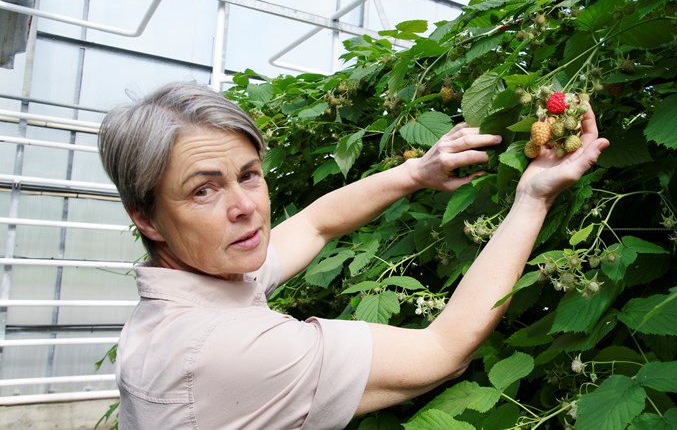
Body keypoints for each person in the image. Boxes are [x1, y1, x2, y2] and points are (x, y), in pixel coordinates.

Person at [98, 81, 608, 429]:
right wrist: (533, 197)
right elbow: (442, 352)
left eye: (249, 175)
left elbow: (315, 224)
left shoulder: (195, 288)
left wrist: (415, 172)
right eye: (203, 191)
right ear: (144, 216)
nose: (244, 207)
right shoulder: (228, 349)